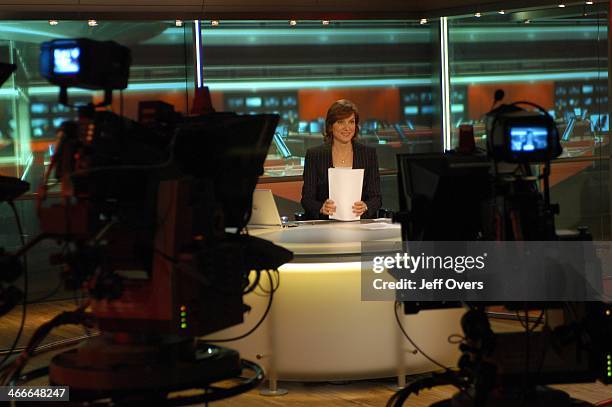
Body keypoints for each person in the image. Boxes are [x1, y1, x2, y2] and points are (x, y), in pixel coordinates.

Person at [301, 99, 382, 220]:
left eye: (351, 122)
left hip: (361, 225)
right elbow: (307, 199)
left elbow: (376, 198)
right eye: (340, 122)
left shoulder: (368, 154)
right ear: (330, 126)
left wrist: (366, 206)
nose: (347, 127)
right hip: (325, 227)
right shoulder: (315, 155)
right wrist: (321, 207)